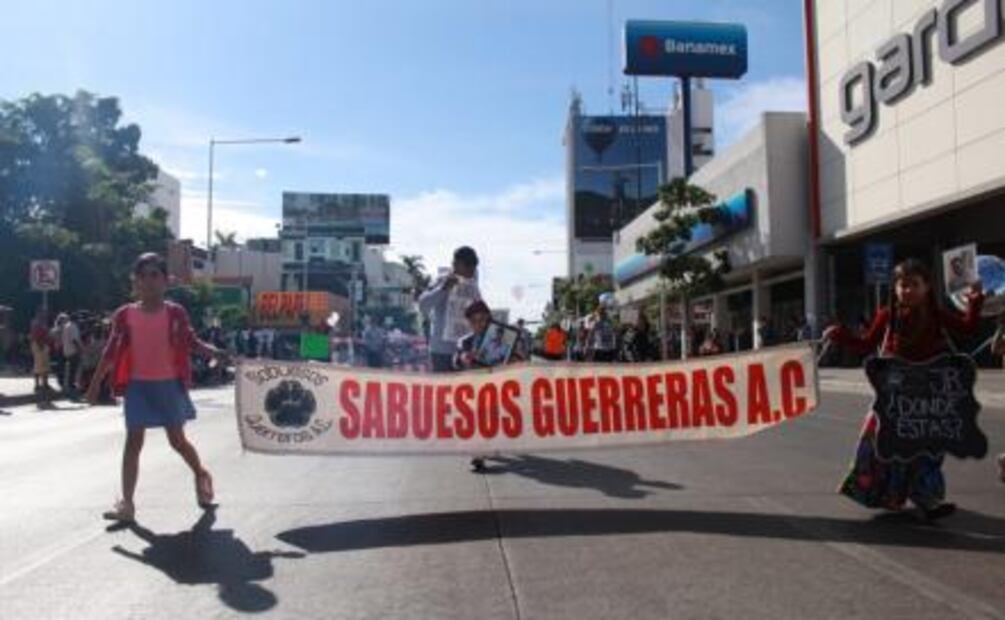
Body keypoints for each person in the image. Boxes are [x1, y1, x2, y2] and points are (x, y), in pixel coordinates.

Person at [823, 258, 984, 520]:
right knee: (880, 445)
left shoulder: (936, 315)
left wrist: (975, 301)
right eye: (902, 285)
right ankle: (879, 492)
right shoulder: (887, 314)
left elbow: (968, 327)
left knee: (929, 449)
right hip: (893, 394)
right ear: (894, 287)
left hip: (931, 394)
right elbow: (866, 344)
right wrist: (839, 335)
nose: (907, 290)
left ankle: (928, 499)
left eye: (913, 285)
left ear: (927, 287)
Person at [86, 252, 227, 523]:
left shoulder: (175, 312)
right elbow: (111, 352)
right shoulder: (125, 315)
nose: (148, 281)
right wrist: (94, 385)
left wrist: (215, 353)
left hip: (169, 385)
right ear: (135, 281)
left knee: (177, 441)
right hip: (137, 386)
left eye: (154, 275)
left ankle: (200, 474)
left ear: (165, 280)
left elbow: (191, 341)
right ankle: (127, 505)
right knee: (133, 441)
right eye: (142, 276)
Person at [454, 300, 525, 472]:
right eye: (474, 321)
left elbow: (519, 359)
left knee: (492, 419)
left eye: (483, 320)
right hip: (475, 388)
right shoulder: (465, 342)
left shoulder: (504, 337)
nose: (479, 324)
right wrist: (463, 359)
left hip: (497, 387)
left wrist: (516, 360)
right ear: (469, 323)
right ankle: (477, 454)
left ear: (490, 320)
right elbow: (456, 360)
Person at [418, 246, 482, 373]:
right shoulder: (442, 280)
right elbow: (423, 304)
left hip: (465, 351)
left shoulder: (473, 286)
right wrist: (443, 288)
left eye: (473, 269)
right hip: (442, 351)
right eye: (468, 268)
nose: (471, 272)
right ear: (456, 265)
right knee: (443, 389)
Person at [29, 309, 52, 400]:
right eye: (43, 313)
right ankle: (37, 384)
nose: (45, 314)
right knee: (38, 366)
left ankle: (45, 383)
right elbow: (35, 334)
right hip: (39, 345)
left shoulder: (42, 322)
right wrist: (40, 344)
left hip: (43, 344)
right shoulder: (36, 322)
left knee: (45, 366)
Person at [60, 313, 84, 400]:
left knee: (71, 373)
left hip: (67, 351)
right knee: (73, 374)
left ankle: (70, 392)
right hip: (74, 352)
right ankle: (73, 394)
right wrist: (81, 349)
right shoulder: (73, 327)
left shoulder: (66, 326)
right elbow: (74, 340)